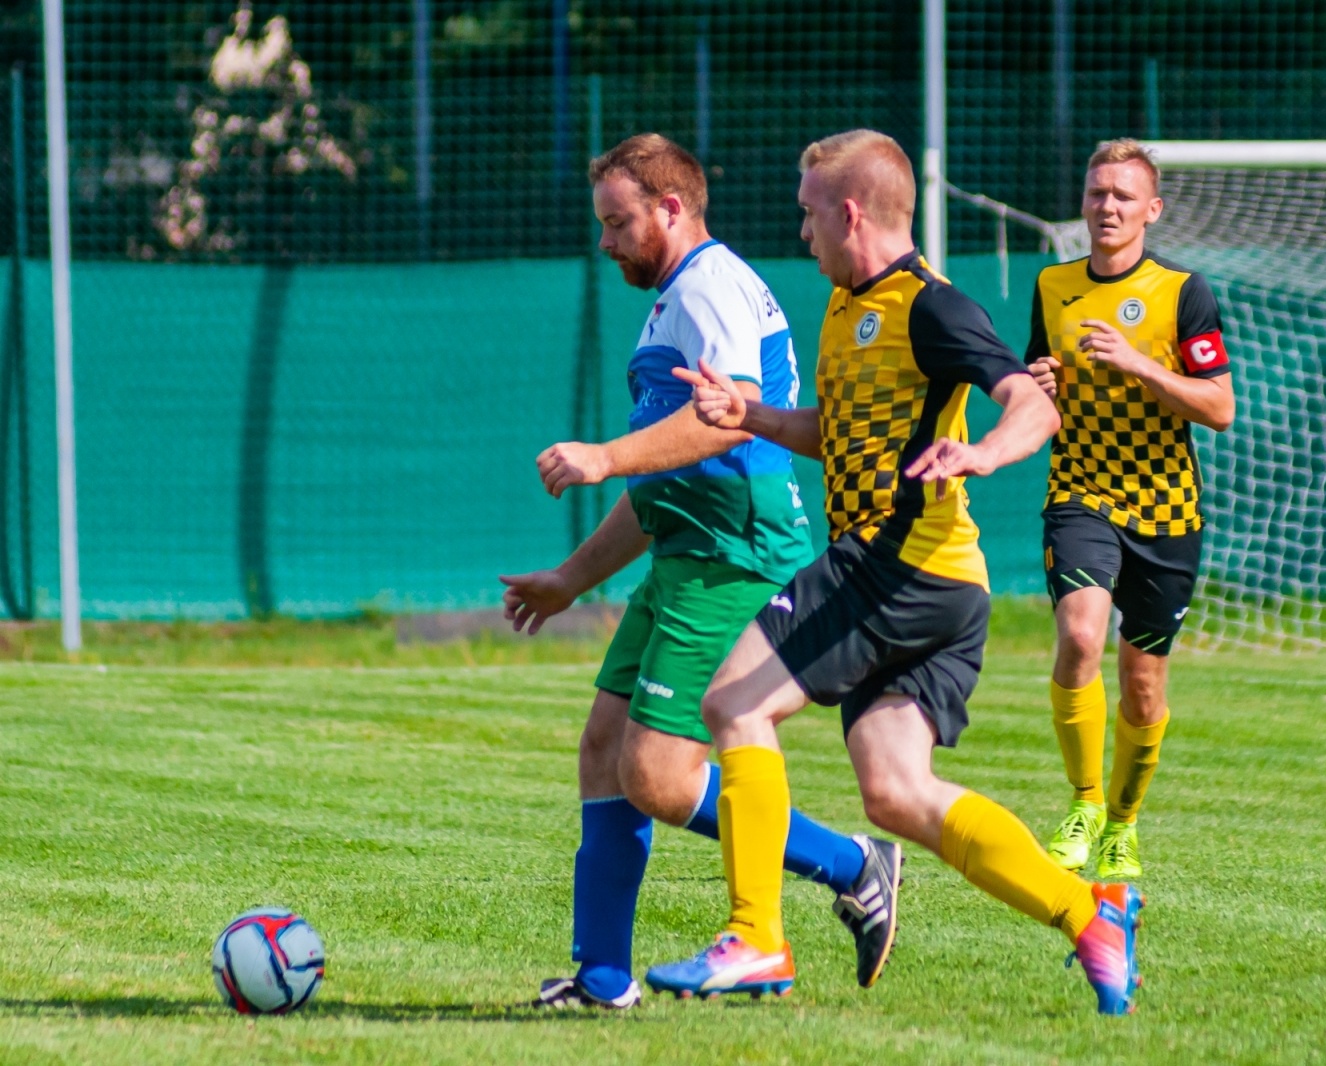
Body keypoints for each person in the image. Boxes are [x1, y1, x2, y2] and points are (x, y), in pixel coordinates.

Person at [645, 129, 1144, 1015]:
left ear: (850, 214)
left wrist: (983, 453)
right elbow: (835, 433)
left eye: (808, 214)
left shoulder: (930, 306)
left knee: (732, 706)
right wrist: (747, 415)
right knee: (895, 792)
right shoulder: (846, 306)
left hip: (896, 564)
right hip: (942, 586)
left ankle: (756, 937)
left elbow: (1031, 406)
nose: (801, 232)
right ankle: (1088, 916)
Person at [499, 134, 901, 1010]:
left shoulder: (709, 285)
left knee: (657, 775)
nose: (605, 241)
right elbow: (663, 481)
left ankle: (854, 864)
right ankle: (603, 980)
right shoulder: (675, 298)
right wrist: (571, 578)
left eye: (618, 222)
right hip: (687, 552)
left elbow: (728, 419)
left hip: (734, 554)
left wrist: (604, 455)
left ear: (671, 209)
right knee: (604, 749)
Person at [1026, 138, 1236, 881]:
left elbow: (1220, 407)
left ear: (1153, 210)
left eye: (1122, 195)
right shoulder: (1052, 284)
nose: (1107, 206)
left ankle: (1122, 823)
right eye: (1097, 193)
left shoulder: (1183, 293)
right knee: (1081, 635)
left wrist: (1140, 363)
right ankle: (1084, 804)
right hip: (1081, 492)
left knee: (1144, 685)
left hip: (1167, 511)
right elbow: (1037, 383)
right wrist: (1038, 383)